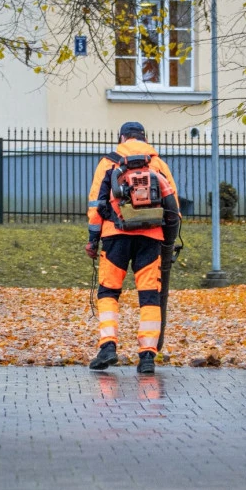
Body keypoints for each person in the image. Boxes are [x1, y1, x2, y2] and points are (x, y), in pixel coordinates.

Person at [85, 121, 181, 374]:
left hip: (115, 235)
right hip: (151, 237)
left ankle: (107, 347)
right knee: (150, 295)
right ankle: (147, 356)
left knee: (108, 292)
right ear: (144, 138)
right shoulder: (157, 164)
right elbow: (173, 206)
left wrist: (93, 239)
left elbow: (96, 204)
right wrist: (168, 241)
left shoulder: (109, 162)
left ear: (122, 137)